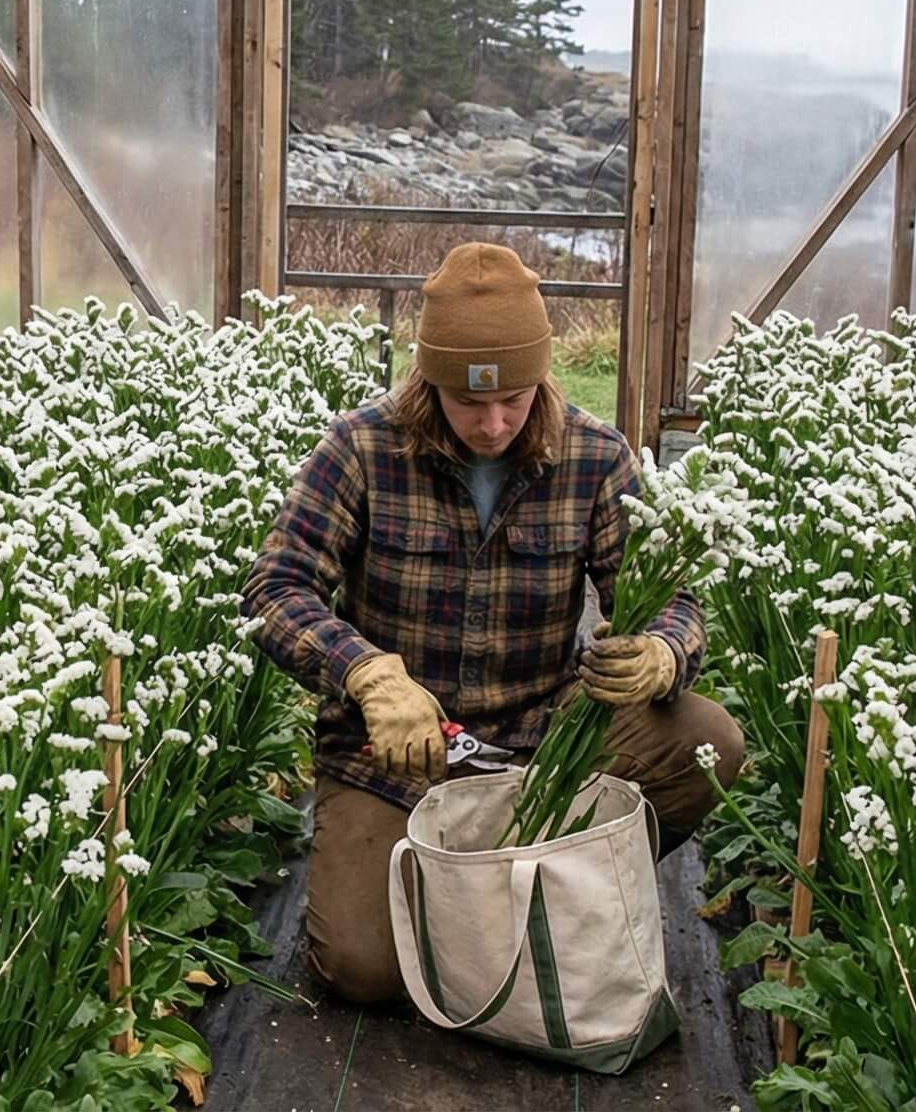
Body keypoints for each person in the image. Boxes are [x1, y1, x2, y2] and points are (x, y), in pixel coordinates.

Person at [240, 242, 746, 1006]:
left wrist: (661, 654)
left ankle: (549, 881)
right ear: (429, 380)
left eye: (513, 397)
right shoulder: (361, 448)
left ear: (542, 375)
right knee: (364, 971)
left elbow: (675, 596)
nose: (493, 421)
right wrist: (366, 673)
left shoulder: (594, 456)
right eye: (469, 401)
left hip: (543, 746)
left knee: (709, 743)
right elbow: (275, 587)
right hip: (396, 762)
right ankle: (499, 900)